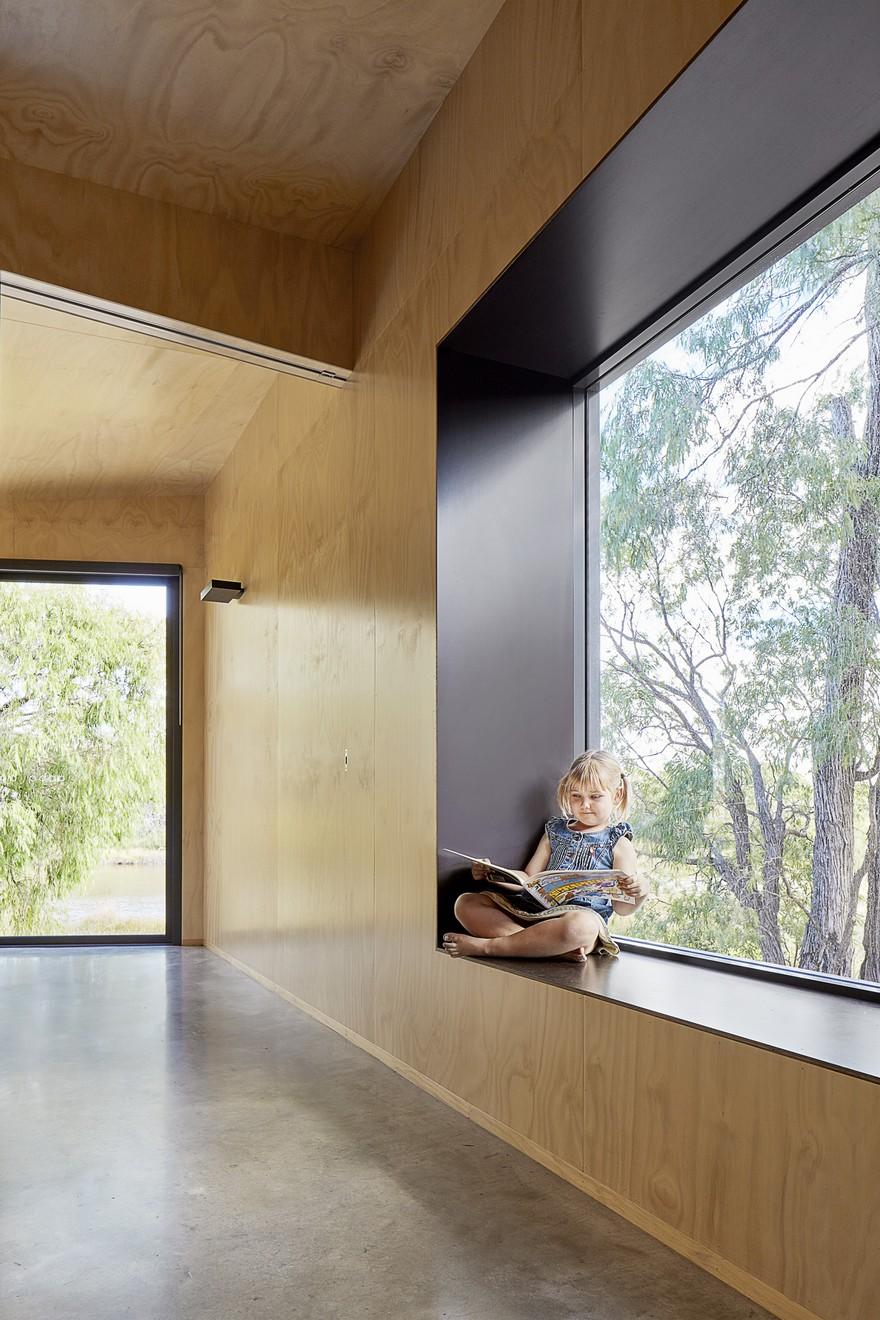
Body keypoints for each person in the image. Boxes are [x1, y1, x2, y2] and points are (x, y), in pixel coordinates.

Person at [442, 750, 649, 962]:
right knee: (466, 903)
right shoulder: (555, 831)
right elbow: (528, 879)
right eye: (576, 796)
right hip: (535, 914)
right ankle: (544, 947)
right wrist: (492, 873)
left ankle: (490, 947)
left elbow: (622, 908)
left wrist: (641, 891)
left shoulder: (619, 843)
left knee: (581, 927)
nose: (585, 804)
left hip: (574, 922)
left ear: (616, 795)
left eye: (595, 796)